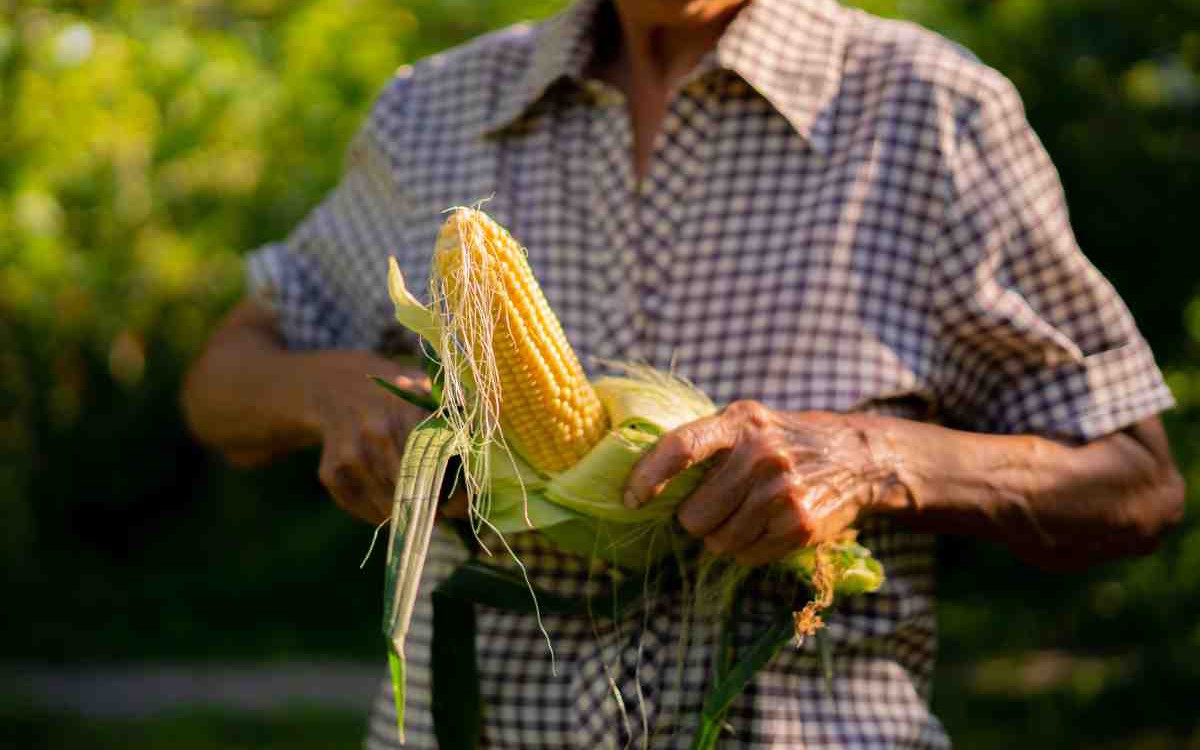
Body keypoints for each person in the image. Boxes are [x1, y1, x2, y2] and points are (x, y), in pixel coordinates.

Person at [182, 0, 1186, 746]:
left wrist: (876, 460)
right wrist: (329, 396)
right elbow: (224, 378)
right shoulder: (432, 110)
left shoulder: (933, 114)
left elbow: (1137, 483)